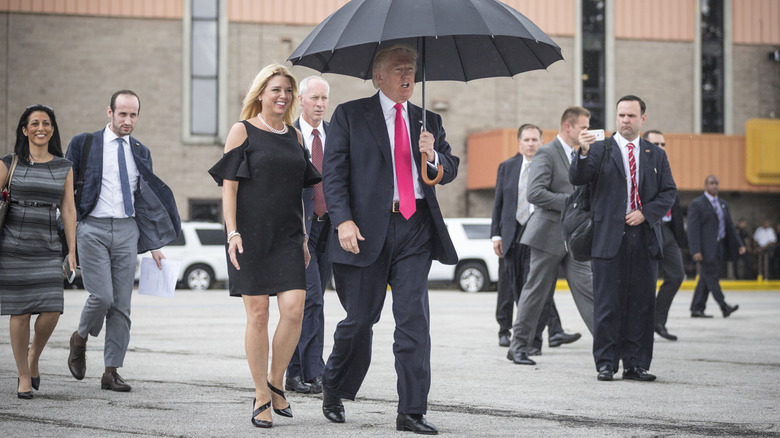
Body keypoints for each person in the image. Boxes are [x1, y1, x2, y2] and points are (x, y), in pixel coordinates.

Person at [320, 44, 459, 435]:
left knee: (414, 321)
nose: (407, 76)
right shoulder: (350, 115)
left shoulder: (427, 119)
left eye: (412, 69)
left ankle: (411, 411)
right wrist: (342, 221)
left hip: (415, 228)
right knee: (360, 320)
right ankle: (333, 386)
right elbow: (333, 175)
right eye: (398, 69)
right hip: (364, 232)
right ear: (378, 76)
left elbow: (449, 168)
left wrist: (433, 157)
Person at [208, 64, 321, 428]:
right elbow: (230, 187)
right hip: (251, 235)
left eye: (287, 90)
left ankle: (276, 380)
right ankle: (261, 395)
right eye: (276, 89)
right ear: (261, 93)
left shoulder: (295, 137)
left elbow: (301, 192)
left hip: (289, 235)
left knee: (294, 310)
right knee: (258, 314)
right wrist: (232, 233)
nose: (283, 96)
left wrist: (304, 236)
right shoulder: (242, 131)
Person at [66, 90, 180, 392]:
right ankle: (79, 339)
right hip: (92, 228)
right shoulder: (84, 143)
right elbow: (66, 194)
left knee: (122, 305)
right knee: (101, 296)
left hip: (128, 230)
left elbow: (145, 201)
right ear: (110, 112)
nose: (128, 120)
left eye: (133, 115)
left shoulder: (141, 151)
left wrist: (155, 245)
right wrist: (69, 243)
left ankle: (111, 370)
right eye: (123, 114)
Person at [572, 95, 676, 382]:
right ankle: (606, 364)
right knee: (607, 305)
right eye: (621, 115)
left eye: (631, 116)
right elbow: (577, 178)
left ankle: (636, 364)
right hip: (607, 238)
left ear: (643, 119)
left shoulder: (656, 154)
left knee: (641, 305)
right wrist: (581, 153)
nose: (625, 121)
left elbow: (669, 192)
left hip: (643, 237)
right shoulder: (598, 149)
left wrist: (646, 213)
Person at [506, 107, 595, 367]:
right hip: (547, 235)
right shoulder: (546, 153)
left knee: (589, 291)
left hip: (576, 238)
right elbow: (535, 193)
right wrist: (572, 202)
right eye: (583, 128)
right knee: (535, 293)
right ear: (568, 127)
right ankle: (518, 346)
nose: (586, 132)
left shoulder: (584, 154)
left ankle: (609, 345)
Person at [0, 105, 76, 399]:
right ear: (24, 129)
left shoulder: (63, 166)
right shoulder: (11, 163)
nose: (40, 128)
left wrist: (72, 250)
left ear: (52, 130)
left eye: (46, 123)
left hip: (47, 247)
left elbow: (68, 209)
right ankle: (22, 375)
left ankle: (34, 357)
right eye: (34, 123)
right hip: (14, 248)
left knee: (53, 309)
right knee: (19, 314)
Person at [490, 124, 580, 352]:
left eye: (535, 140)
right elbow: (498, 203)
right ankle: (505, 330)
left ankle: (535, 340)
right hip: (512, 232)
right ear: (519, 142)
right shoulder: (507, 167)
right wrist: (496, 234)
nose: (531, 144)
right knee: (510, 282)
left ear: (542, 142)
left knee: (537, 286)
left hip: (540, 231)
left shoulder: (551, 164)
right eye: (527, 140)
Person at [286, 75, 332, 395]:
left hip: (329, 226)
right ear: (300, 100)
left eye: (324, 99)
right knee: (311, 298)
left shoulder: (335, 135)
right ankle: (314, 371)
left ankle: (298, 370)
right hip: (300, 229)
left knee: (315, 301)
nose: (319, 104)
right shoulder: (289, 136)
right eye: (314, 98)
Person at [643, 130, 686, 341]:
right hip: (645, 226)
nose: (661, 147)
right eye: (656, 144)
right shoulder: (639, 168)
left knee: (677, 275)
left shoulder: (665, 168)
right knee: (644, 280)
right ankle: (639, 325)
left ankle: (658, 320)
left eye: (663, 144)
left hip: (667, 230)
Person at [687, 175, 745, 318]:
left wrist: (740, 244)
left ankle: (697, 308)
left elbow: (730, 226)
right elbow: (693, 229)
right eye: (711, 183)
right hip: (705, 249)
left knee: (706, 277)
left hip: (720, 247)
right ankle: (724, 306)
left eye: (716, 183)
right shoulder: (697, 203)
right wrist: (696, 250)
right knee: (711, 276)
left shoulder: (723, 204)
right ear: (705, 185)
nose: (714, 186)